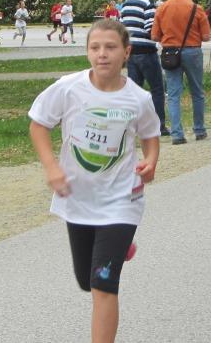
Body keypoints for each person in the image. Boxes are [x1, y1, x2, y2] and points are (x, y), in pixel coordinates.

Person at [28, 18, 161, 343]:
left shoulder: (138, 98)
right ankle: (120, 248)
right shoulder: (69, 88)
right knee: (85, 279)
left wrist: (151, 160)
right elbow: (38, 124)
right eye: (95, 47)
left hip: (121, 200)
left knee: (103, 284)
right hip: (79, 197)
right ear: (88, 52)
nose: (102, 54)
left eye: (111, 47)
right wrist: (51, 167)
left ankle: (117, 243)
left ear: (126, 52)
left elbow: (150, 134)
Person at [152, 0, 211, 145]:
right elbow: (206, 36)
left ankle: (177, 134)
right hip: (193, 52)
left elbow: (154, 36)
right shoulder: (196, 8)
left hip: (170, 54)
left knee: (173, 94)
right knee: (197, 92)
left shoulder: (162, 9)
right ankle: (199, 129)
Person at [120, 0, 168, 137]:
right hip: (147, 52)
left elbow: (122, 26)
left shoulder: (126, 3)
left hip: (131, 51)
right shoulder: (149, 4)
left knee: (134, 91)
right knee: (157, 89)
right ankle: (159, 125)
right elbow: (150, 29)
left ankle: (132, 126)